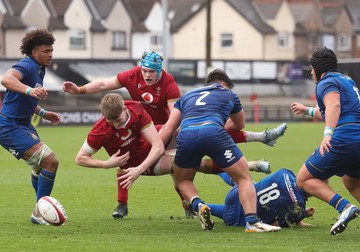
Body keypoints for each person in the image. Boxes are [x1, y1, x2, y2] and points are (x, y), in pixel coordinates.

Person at [63, 51, 287, 218]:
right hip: (144, 128)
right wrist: (80, 90)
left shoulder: (168, 84)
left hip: (164, 127)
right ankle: (125, 205)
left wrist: (180, 135)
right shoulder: (130, 79)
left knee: (190, 152)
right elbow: (104, 83)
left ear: (160, 71)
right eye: (145, 71)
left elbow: (174, 119)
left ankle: (258, 141)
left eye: (152, 72)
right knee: (132, 158)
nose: (148, 75)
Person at [74, 93, 272, 219]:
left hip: (151, 148)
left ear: (125, 109)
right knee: (182, 164)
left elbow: (157, 145)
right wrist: (106, 163)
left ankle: (257, 142)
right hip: (139, 161)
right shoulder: (100, 130)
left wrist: (137, 171)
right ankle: (244, 169)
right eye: (112, 122)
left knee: (190, 133)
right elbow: (80, 158)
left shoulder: (135, 108)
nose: (117, 125)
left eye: (119, 120)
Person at [159, 68, 281, 232]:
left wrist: (152, 151)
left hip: (187, 135)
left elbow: (169, 129)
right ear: (224, 84)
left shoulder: (186, 96)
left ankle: (198, 204)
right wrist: (213, 127)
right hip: (214, 133)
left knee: (183, 181)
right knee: (244, 177)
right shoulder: (229, 94)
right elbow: (239, 125)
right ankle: (252, 221)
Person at [0, 28, 61, 225]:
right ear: (34, 52)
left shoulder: (39, 68)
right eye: (46, 51)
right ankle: (40, 212)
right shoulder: (27, 65)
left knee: (40, 168)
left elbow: (24, 99)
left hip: (22, 125)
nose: (50, 54)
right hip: (9, 128)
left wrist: (43, 113)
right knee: (51, 161)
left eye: (51, 50)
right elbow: (6, 79)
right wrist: (30, 90)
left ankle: (38, 211)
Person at [290, 47, 360, 235]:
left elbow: (334, 106)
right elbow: (334, 110)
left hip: (345, 138)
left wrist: (328, 134)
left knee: (304, 179)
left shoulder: (325, 81)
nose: (311, 72)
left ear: (318, 68)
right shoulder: (347, 80)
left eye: (312, 68)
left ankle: (344, 207)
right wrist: (307, 110)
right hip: (357, 137)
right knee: (351, 182)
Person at [207, 168, 315, 228]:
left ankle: (218, 169)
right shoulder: (299, 208)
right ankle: (195, 206)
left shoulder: (286, 172)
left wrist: (299, 216)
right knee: (228, 212)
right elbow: (274, 224)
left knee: (246, 180)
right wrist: (302, 215)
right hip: (236, 218)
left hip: (237, 194)